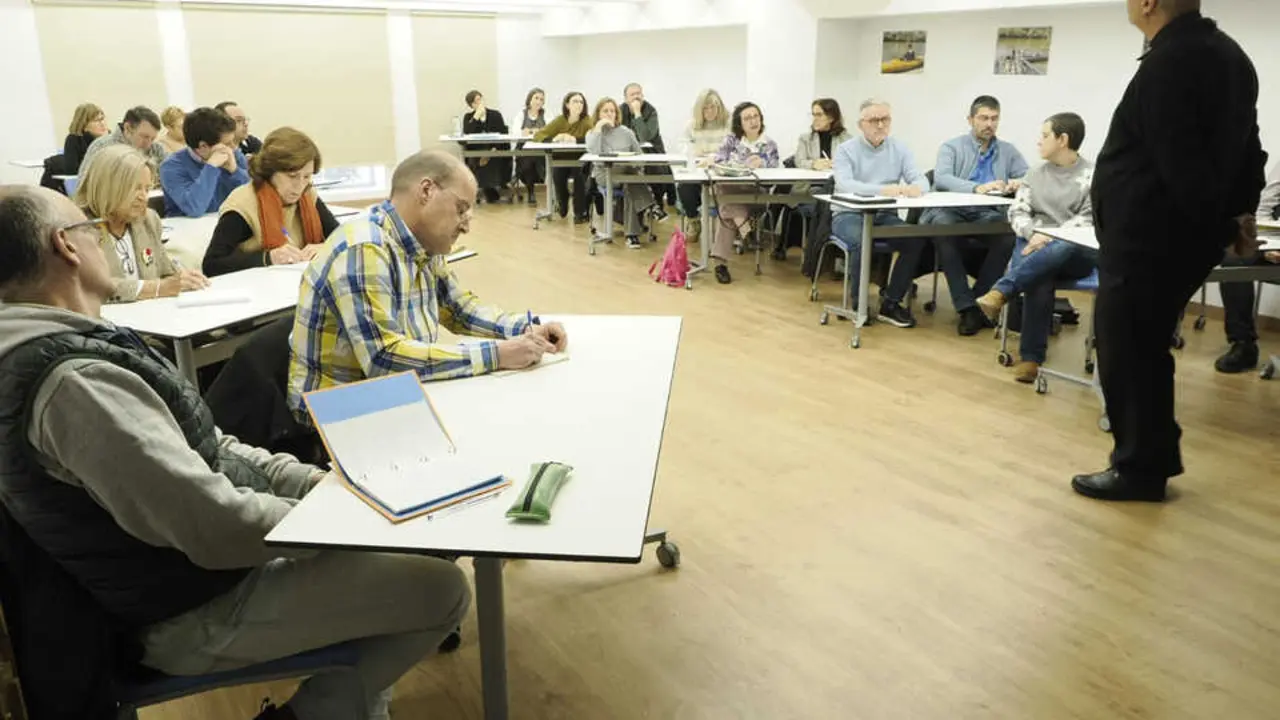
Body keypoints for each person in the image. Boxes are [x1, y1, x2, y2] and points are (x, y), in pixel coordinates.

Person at [0, 185, 471, 720]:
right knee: (444, 590)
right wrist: (343, 519)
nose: (100, 238)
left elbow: (210, 446)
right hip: (188, 612)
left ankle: (351, 705)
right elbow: (213, 526)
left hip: (187, 579)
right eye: (88, 227)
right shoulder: (74, 383)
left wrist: (319, 487)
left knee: (411, 552)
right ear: (66, 246)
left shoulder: (65, 346)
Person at [1074, 0, 1267, 502]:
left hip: (1151, 238)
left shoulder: (1172, 62)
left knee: (1128, 349)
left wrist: (1225, 220)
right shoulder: (1228, 55)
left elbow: (1178, 161)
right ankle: (1150, 458)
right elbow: (1251, 148)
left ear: (1149, 3)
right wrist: (1238, 216)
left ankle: (1139, 468)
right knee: (1144, 347)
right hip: (1176, 235)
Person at [288, 151, 568, 413]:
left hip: (391, 397)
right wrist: (497, 354)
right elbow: (384, 359)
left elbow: (459, 310)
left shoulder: (422, 243)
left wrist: (527, 329)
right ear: (426, 191)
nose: (466, 225)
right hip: (337, 413)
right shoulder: (364, 248)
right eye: (461, 209)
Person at [973, 113, 1096, 382]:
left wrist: (1050, 237)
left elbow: (1087, 220)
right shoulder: (1034, 173)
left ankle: (1002, 289)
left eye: (1044, 136)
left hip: (1074, 250)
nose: (1038, 142)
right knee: (1040, 276)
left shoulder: (1091, 176)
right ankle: (1031, 360)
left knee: (1062, 246)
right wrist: (1033, 233)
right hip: (1032, 242)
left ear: (1063, 140)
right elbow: (1018, 210)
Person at [923, 95, 1029, 336]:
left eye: (994, 118)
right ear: (970, 120)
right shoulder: (951, 147)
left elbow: (1029, 177)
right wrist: (975, 187)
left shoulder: (1007, 151)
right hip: (951, 211)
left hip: (986, 213)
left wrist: (1017, 183)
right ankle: (966, 307)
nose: (989, 124)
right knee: (944, 232)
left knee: (1007, 236)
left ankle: (981, 302)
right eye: (983, 118)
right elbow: (942, 178)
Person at [829, 98, 930, 328]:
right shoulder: (846, 150)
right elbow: (846, 184)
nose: (881, 125)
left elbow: (920, 178)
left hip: (884, 214)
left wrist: (917, 188)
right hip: (848, 214)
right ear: (861, 124)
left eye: (885, 119)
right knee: (861, 240)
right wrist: (882, 190)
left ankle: (891, 303)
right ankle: (859, 303)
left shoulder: (899, 148)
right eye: (874, 120)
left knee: (914, 239)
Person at [203, 127, 342, 277]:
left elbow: (342, 238)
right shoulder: (243, 204)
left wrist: (325, 247)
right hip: (258, 289)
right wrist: (268, 258)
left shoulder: (307, 194)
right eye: (292, 176)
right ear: (271, 171)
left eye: (307, 176)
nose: (300, 185)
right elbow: (212, 265)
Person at [76, 146, 209, 302]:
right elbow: (92, 285)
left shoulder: (148, 220)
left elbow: (163, 269)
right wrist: (157, 288)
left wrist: (181, 277)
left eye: (147, 189)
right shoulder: (79, 228)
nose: (143, 197)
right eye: (135, 188)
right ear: (108, 186)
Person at [1213, 163, 1280, 373]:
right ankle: (1243, 344)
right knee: (1235, 256)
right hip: (1276, 243)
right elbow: (1264, 208)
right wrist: (1270, 242)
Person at [708, 102, 779, 284]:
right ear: (740, 123)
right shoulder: (731, 140)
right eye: (747, 118)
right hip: (732, 188)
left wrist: (762, 163)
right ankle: (745, 228)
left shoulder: (769, 144)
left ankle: (720, 263)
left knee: (725, 210)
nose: (753, 121)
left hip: (756, 194)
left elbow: (774, 172)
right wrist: (742, 162)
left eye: (756, 116)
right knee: (726, 190)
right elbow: (719, 162)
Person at [586, 97, 658, 249]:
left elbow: (640, 158)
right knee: (631, 176)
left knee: (630, 181)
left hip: (628, 175)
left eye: (612, 111)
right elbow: (596, 157)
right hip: (604, 174)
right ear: (598, 114)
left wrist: (633, 164)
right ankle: (652, 206)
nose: (609, 114)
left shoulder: (626, 132)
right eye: (605, 111)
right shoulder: (592, 133)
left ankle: (632, 235)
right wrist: (599, 128)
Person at [159, 106, 250, 218]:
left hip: (225, 223)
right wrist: (211, 167)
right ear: (203, 146)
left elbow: (253, 197)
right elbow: (194, 208)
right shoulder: (171, 167)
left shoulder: (233, 154)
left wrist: (235, 171)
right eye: (227, 144)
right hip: (187, 230)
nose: (233, 147)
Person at [675, 88, 731, 244]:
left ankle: (732, 226)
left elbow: (733, 147)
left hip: (722, 170)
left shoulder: (729, 123)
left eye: (713, 107)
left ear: (719, 107)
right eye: (705, 108)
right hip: (700, 167)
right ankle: (693, 220)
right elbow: (682, 143)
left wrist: (715, 157)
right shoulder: (692, 125)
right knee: (684, 187)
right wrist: (693, 151)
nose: (710, 111)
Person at [533, 91, 594, 223]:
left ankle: (579, 212)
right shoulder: (560, 120)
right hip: (561, 158)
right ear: (567, 105)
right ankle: (562, 201)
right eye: (575, 101)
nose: (579, 104)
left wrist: (575, 140)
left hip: (580, 159)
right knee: (558, 176)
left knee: (579, 177)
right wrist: (554, 139)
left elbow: (594, 138)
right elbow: (539, 135)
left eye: (581, 102)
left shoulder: (587, 121)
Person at [620, 82, 672, 213]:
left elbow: (645, 137)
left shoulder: (651, 111)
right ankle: (634, 210)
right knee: (629, 172)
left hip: (652, 153)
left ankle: (656, 204)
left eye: (639, 94)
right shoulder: (620, 111)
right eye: (632, 94)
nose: (636, 97)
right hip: (628, 154)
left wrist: (638, 114)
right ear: (626, 99)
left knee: (653, 169)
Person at [78, 106, 167, 175]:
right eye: (145, 137)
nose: (149, 144)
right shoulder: (101, 147)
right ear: (127, 128)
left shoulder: (156, 149)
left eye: (152, 139)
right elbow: (85, 186)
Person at [461, 90, 511, 204]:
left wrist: (491, 151)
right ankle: (490, 191)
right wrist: (475, 118)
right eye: (475, 101)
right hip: (478, 153)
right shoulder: (468, 117)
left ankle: (490, 191)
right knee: (478, 160)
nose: (479, 103)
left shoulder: (495, 115)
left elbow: (503, 135)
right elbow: (467, 135)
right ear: (471, 105)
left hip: (495, 149)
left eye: (480, 99)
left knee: (491, 160)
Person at [794, 98, 851, 172]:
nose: (815, 119)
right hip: (812, 181)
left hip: (837, 180)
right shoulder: (805, 139)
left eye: (819, 115)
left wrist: (835, 164)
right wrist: (813, 164)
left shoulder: (846, 139)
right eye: (813, 115)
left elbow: (853, 163)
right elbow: (799, 162)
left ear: (831, 118)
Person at [515, 87, 547, 206]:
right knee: (528, 158)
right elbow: (516, 132)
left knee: (533, 157)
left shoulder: (546, 114)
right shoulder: (521, 114)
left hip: (541, 148)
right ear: (529, 99)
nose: (539, 101)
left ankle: (529, 187)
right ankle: (531, 191)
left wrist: (531, 131)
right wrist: (537, 131)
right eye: (536, 98)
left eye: (541, 99)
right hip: (523, 148)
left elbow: (549, 131)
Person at [62, 103, 108, 172]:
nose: (102, 124)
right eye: (96, 121)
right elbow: (71, 169)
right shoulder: (73, 139)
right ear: (84, 125)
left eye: (102, 119)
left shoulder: (110, 138)